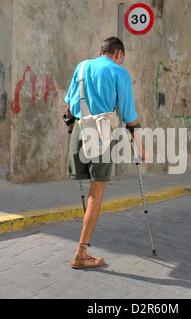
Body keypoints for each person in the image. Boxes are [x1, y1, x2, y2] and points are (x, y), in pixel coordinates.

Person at [64, 36, 145, 269]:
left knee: (88, 195)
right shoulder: (120, 73)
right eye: (122, 58)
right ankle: (81, 254)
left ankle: (83, 248)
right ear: (118, 54)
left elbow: (69, 107)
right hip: (100, 136)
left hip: (79, 132)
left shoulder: (82, 66)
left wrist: (72, 128)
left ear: (102, 51)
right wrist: (140, 147)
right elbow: (129, 116)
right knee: (95, 196)